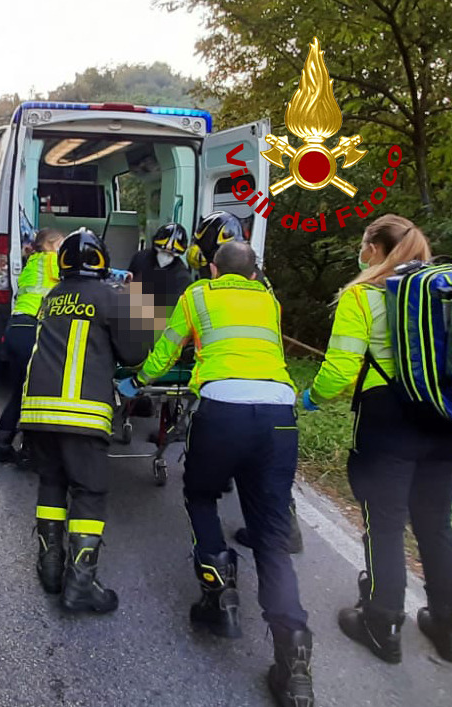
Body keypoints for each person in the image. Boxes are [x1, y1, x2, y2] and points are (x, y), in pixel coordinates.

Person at [119, 241, 313, 707]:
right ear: (253, 273)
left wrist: (139, 381)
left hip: (223, 409)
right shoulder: (269, 300)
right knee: (270, 535)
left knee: (202, 495)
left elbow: (168, 348)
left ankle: (218, 596)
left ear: (210, 267)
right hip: (278, 414)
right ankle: (296, 663)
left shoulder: (198, 295)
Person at [303, 214, 452, 665]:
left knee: (384, 522)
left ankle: (382, 620)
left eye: (364, 245)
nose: (360, 253)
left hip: (387, 422)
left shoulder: (364, 295)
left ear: (374, 248)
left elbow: (341, 370)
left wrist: (311, 396)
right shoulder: (441, 292)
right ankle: (446, 624)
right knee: (436, 522)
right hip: (445, 419)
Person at [21, 229, 153, 613]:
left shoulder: (51, 298)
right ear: (102, 262)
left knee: (51, 482)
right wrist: (137, 303)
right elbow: (133, 354)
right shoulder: (110, 297)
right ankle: (81, 583)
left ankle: (49, 567)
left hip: (38, 412)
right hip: (83, 413)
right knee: (89, 492)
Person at [189, 211, 306, 555]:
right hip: (272, 384)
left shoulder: (222, 278)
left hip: (231, 382)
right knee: (268, 466)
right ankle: (281, 527)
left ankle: (281, 527)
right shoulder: (258, 281)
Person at [0, 228, 65, 463]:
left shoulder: (32, 263)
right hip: (32, 327)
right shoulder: (51, 260)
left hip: (16, 328)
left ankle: (2, 443)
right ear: (51, 245)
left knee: (22, 389)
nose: (64, 250)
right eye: (62, 244)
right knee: (36, 389)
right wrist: (120, 276)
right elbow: (84, 271)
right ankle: (29, 448)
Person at [128, 222, 193, 309]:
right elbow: (128, 282)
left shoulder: (183, 278)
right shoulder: (140, 258)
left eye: (170, 254)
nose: (165, 256)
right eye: (162, 251)